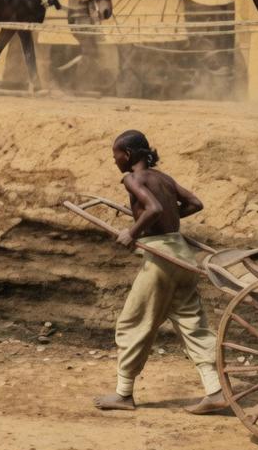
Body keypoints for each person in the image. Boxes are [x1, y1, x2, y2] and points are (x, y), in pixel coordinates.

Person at [93, 130, 227, 415]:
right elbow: (195, 204)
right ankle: (215, 390)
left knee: (133, 322)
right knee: (193, 323)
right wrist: (170, 220)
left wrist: (133, 232)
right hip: (181, 254)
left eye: (115, 154)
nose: (114, 160)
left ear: (127, 155)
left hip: (160, 259)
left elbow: (152, 208)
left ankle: (123, 394)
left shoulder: (132, 178)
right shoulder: (163, 178)